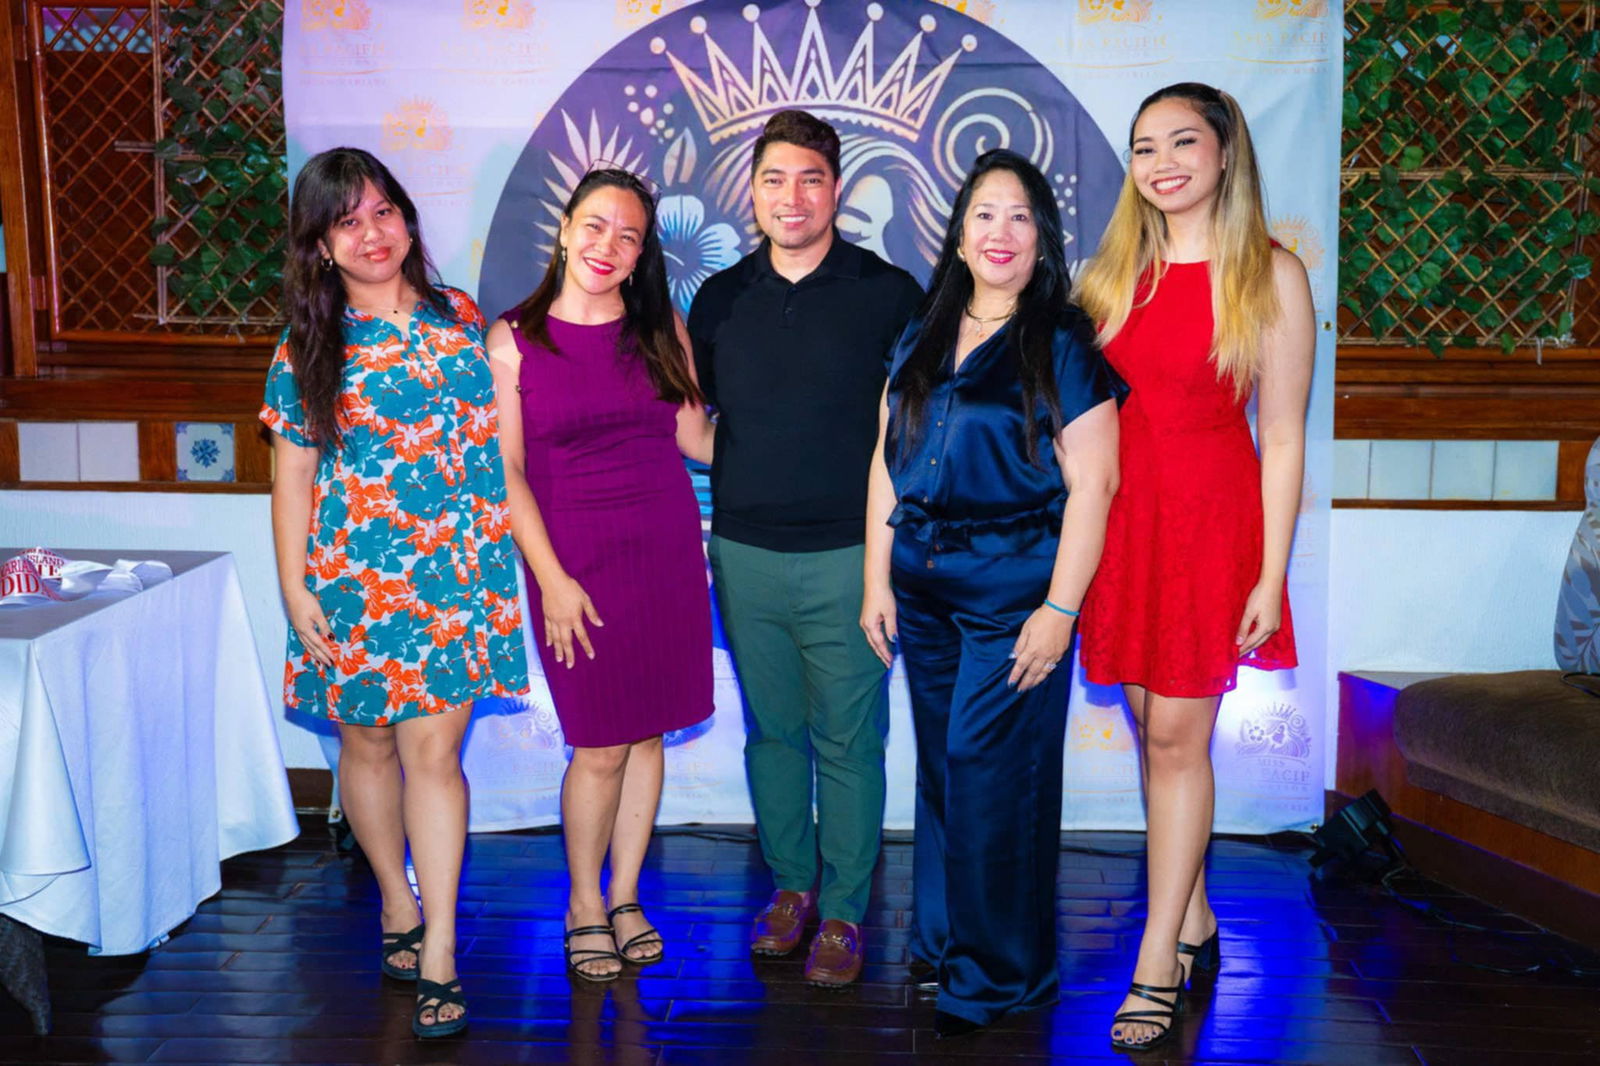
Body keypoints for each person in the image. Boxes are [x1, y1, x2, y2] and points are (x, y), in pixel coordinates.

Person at [262, 147, 528, 1039]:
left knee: (434, 759)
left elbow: (501, 448)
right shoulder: (307, 343)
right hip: (350, 581)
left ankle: (442, 947)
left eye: (382, 212)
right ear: (321, 246)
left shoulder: (459, 317)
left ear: (407, 219)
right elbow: (292, 477)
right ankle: (395, 905)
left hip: (454, 574)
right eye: (347, 221)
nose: (371, 233)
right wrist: (297, 590)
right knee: (366, 749)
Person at [861, 148, 1123, 1037]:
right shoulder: (922, 330)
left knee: (991, 776)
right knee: (941, 771)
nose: (999, 232)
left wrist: (1059, 610)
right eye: (983, 215)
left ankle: (1002, 974)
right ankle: (940, 945)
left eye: (1018, 216)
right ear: (960, 234)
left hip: (1015, 590)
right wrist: (875, 580)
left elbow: (1094, 486)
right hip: (922, 585)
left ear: (1041, 237)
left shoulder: (1061, 343)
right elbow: (884, 459)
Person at [1075, 82, 1314, 1051]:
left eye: (1181, 142)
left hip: (1213, 527)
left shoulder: (1271, 274)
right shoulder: (1107, 274)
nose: (1162, 162)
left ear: (1224, 153)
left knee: (1176, 735)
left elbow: (1286, 438)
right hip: (1120, 525)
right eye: (1143, 147)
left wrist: (1268, 576)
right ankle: (1199, 910)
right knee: (1147, 724)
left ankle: (1157, 954)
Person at [687, 109, 923, 986]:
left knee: (849, 741)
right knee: (772, 734)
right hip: (742, 553)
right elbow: (697, 415)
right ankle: (792, 892)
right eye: (775, 179)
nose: (793, 197)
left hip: (850, 560)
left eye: (811, 179)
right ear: (751, 191)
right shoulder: (719, 299)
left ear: (837, 189)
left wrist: (881, 566)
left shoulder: (888, 293)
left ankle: (848, 910)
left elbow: (909, 431)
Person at [487, 167, 715, 982]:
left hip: (666, 554)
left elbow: (698, 441)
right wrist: (551, 579)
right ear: (565, 228)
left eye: (627, 234)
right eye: (595, 226)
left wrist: (803, 441)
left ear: (643, 249)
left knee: (648, 733)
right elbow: (507, 471)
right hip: (574, 564)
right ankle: (584, 903)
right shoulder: (514, 336)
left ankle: (625, 897)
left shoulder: (663, 327)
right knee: (598, 746)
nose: (607, 246)